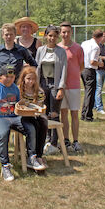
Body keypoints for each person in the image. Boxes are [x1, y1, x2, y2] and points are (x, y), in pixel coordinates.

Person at [0, 65, 36, 181]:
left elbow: (17, 102)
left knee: (30, 128)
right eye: (7, 76)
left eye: (12, 77)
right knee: (3, 133)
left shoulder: (15, 88)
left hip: (14, 116)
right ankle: (5, 165)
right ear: (0, 76)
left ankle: (31, 157)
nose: (10, 79)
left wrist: (23, 103)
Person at [34, 25, 68, 154]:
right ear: (46, 36)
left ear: (57, 37)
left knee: (54, 113)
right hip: (43, 83)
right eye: (50, 35)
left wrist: (61, 87)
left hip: (55, 83)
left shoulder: (61, 52)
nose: (52, 38)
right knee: (44, 112)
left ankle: (54, 142)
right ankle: (46, 139)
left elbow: (64, 69)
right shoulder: (40, 50)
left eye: (54, 36)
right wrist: (36, 87)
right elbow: (37, 67)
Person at [58, 22, 84, 152]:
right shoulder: (57, 48)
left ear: (71, 32)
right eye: (63, 32)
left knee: (74, 113)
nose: (65, 34)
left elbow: (81, 65)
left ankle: (76, 141)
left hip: (74, 86)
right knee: (63, 113)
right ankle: (65, 140)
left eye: (68, 32)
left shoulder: (78, 48)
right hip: (61, 87)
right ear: (60, 33)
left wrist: (74, 76)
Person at [17, 66, 47, 170]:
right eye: (28, 79)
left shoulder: (38, 91)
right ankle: (31, 155)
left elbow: (39, 105)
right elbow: (17, 105)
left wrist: (37, 107)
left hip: (34, 115)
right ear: (23, 79)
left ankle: (39, 155)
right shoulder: (19, 90)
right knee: (31, 128)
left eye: (33, 79)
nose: (31, 81)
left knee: (43, 123)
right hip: (22, 116)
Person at [80, 29, 104, 122]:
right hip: (90, 70)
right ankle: (88, 115)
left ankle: (83, 113)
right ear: (100, 37)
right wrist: (100, 64)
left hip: (83, 69)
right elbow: (92, 61)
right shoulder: (96, 47)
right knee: (90, 93)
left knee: (87, 92)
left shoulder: (84, 43)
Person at [94, 32, 105, 114]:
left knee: (99, 88)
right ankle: (99, 107)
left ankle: (95, 105)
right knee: (98, 88)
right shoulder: (97, 46)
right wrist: (104, 57)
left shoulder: (104, 46)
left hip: (103, 69)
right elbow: (95, 56)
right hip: (98, 69)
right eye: (104, 36)